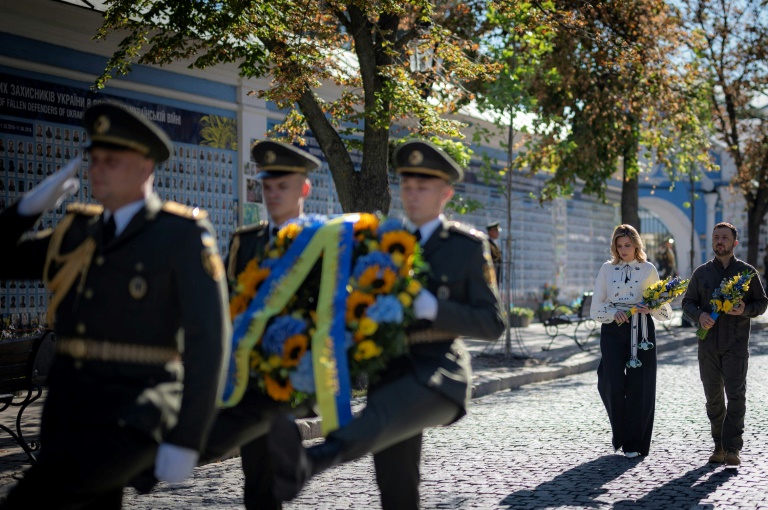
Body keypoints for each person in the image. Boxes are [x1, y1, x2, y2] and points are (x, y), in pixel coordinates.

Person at [0, 102, 230, 509]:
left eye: (112, 160)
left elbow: (208, 342)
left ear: (145, 167)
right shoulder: (76, 233)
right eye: (94, 160)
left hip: (135, 415)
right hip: (69, 413)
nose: (98, 169)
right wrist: (25, 209)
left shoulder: (180, 235)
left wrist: (187, 438)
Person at [267, 139, 506, 509]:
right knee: (395, 488)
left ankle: (310, 461)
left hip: (439, 372)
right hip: (389, 366)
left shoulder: (466, 246)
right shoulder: (381, 243)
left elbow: (492, 323)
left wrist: (432, 308)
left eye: (422, 187)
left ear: (446, 193)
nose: (412, 195)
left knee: (386, 410)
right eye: (406, 186)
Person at [201, 140, 320, 510]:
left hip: (301, 372)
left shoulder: (323, 241)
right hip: (251, 373)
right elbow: (230, 304)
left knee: (264, 432)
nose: (272, 195)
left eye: (282, 187)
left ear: (304, 189)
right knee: (257, 480)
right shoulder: (245, 241)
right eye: (267, 187)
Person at [681, 222, 767, 466]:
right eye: (716, 237)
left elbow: (762, 304)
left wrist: (744, 309)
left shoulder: (747, 273)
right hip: (707, 345)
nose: (720, 241)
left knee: (736, 395)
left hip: (736, 345)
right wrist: (700, 316)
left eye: (725, 237)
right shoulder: (702, 273)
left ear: (734, 243)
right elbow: (687, 303)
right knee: (713, 398)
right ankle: (718, 444)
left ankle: (732, 448)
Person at [590, 224, 672, 459]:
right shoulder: (607, 269)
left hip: (642, 329)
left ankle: (635, 443)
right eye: (619, 245)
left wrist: (652, 307)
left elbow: (664, 309)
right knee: (610, 382)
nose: (623, 250)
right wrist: (611, 312)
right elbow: (596, 308)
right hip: (613, 329)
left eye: (627, 245)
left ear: (637, 245)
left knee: (641, 386)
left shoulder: (648, 269)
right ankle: (621, 434)